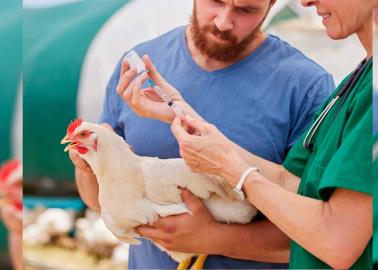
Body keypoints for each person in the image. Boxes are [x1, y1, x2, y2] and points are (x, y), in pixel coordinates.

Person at [70, 0, 335, 268]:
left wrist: (215, 239)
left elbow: (324, 233)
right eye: (216, 1)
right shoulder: (137, 71)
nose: (223, 21)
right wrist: (88, 167)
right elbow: (97, 201)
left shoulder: (306, 87)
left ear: (272, 3)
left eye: (246, 10)